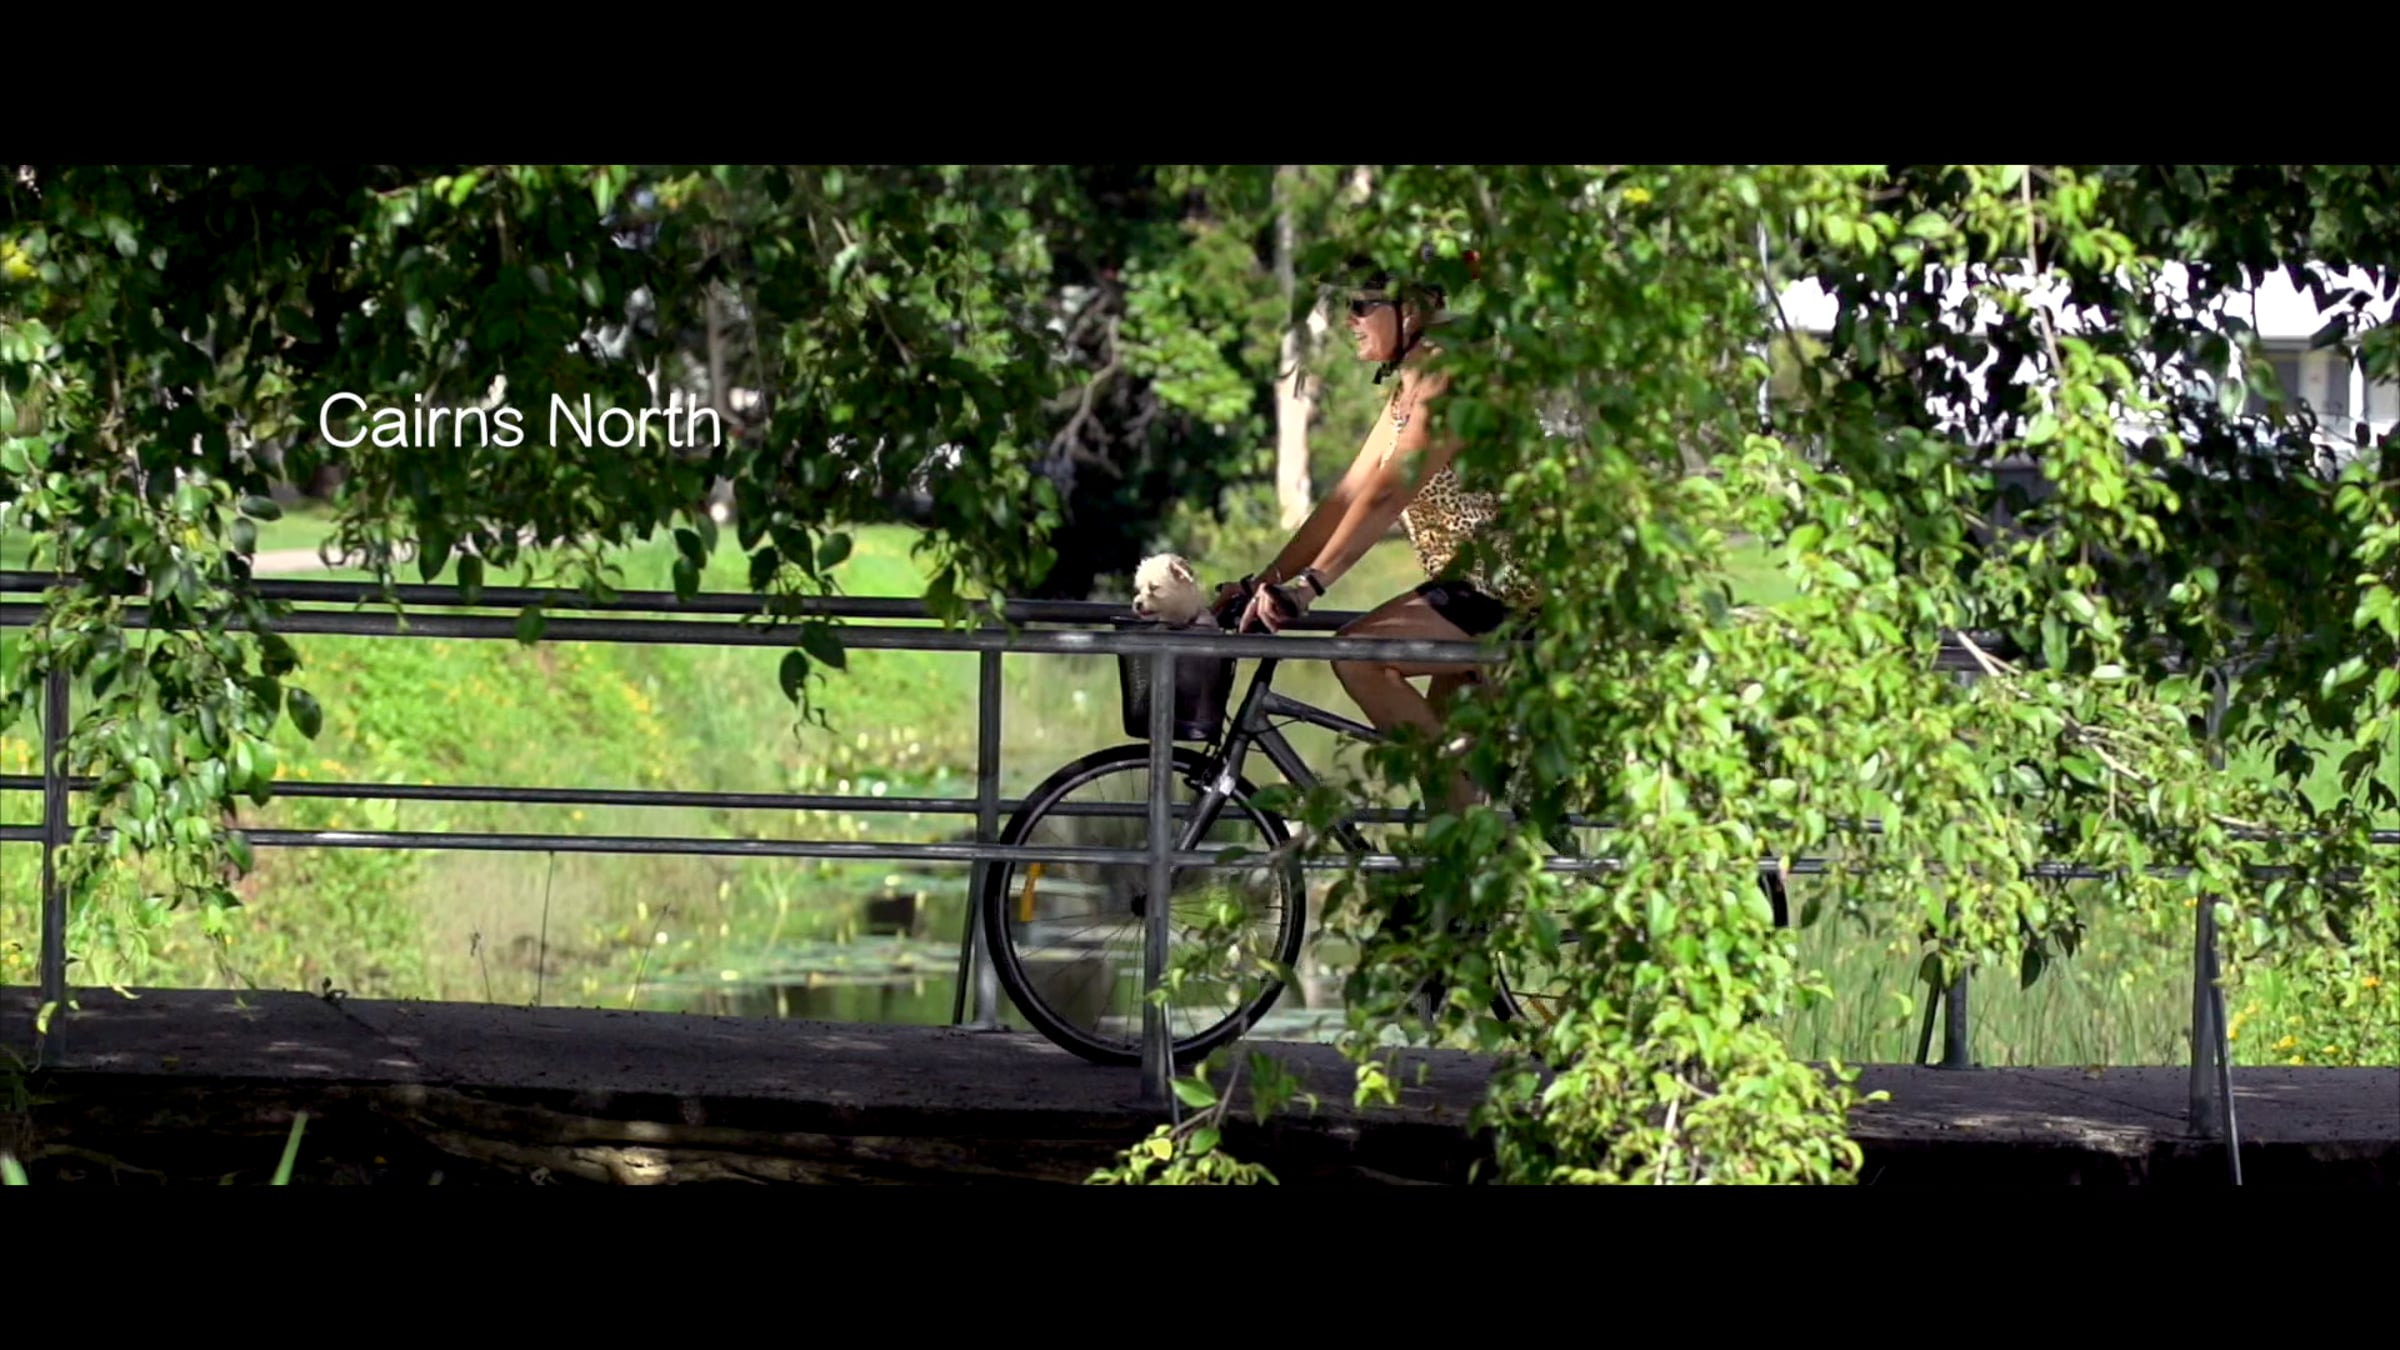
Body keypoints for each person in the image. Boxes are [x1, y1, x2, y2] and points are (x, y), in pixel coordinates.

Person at [1222, 245, 1537, 818]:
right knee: (1449, 788)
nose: (1349, 318)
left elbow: (1390, 494)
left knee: (1359, 655)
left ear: (1409, 309)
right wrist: (1261, 582)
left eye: (1362, 305)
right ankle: (1476, 856)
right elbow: (1348, 496)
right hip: (1469, 590)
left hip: (1506, 588)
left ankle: (1488, 841)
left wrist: (1310, 586)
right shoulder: (1412, 382)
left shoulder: (1450, 374)